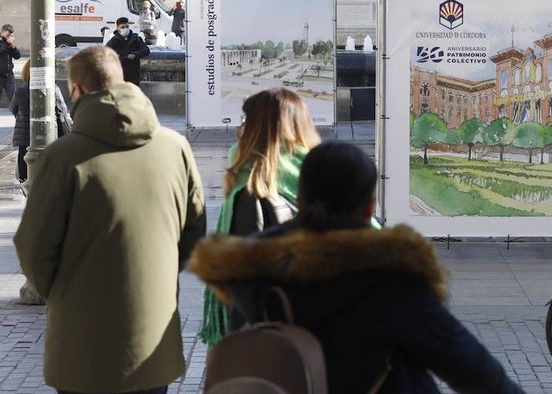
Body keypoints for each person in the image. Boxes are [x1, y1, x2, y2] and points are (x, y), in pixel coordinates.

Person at [190, 140, 525, 394]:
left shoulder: (251, 269)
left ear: (301, 201)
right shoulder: (392, 276)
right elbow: (472, 368)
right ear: (369, 205)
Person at [14, 45, 206, 394]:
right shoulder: (175, 147)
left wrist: (63, 292)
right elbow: (194, 230)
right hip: (152, 344)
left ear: (77, 90)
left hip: (80, 346)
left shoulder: (62, 157)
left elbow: (33, 246)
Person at [198, 87, 322, 348]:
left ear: (257, 128)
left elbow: (246, 289)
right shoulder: (320, 170)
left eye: (246, 120)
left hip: (268, 339)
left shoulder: (250, 194)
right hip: (315, 326)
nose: (240, 127)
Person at [10, 60, 72, 184]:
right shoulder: (53, 89)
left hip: (24, 139)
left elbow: (13, 108)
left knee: (25, 174)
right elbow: (63, 111)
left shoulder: (21, 91)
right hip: (49, 136)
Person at [105, 16, 150, 85]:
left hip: (133, 75)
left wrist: (135, 54)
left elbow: (146, 50)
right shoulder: (114, 41)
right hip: (119, 74)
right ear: (118, 29)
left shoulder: (136, 39)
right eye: (122, 27)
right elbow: (106, 53)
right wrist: (123, 57)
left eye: (127, 26)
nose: (125, 29)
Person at [0, 22, 20, 106]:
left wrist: (12, 46)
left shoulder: (9, 43)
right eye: (8, 35)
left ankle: (18, 117)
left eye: (11, 35)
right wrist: (6, 43)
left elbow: (17, 56)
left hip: (9, 75)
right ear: (2, 31)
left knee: (14, 98)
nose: (9, 37)